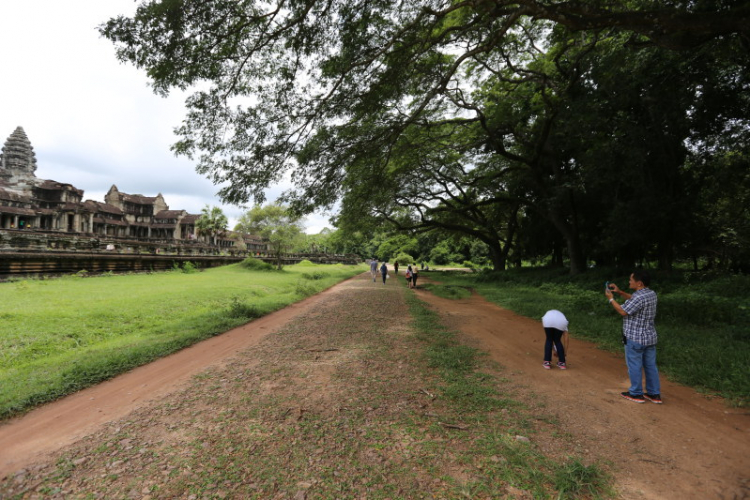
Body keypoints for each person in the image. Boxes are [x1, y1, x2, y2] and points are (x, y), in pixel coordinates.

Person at [606, 269, 662, 404]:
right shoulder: (651, 294)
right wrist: (619, 292)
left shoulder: (639, 297)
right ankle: (654, 394)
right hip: (649, 338)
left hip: (635, 338)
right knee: (650, 366)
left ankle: (636, 394)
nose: (629, 281)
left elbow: (623, 311)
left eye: (631, 280)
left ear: (639, 283)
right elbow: (634, 299)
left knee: (634, 366)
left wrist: (611, 299)